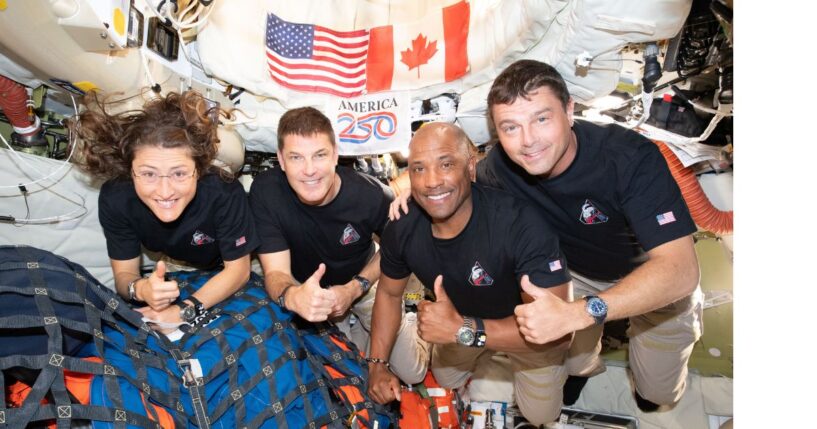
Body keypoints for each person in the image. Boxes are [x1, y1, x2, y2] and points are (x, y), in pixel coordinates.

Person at [393, 59, 703, 411]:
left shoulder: (627, 157)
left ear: (569, 111)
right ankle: (585, 367)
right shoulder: (501, 167)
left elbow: (681, 270)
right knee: (573, 359)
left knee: (659, 395)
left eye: (541, 119)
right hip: (575, 275)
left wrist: (581, 313)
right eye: (511, 127)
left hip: (652, 275)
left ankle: (640, 373)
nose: (528, 141)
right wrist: (417, 187)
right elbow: (453, 175)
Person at [368, 122, 573, 425]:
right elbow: (388, 292)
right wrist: (377, 363)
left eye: (446, 164)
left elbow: (559, 334)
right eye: (419, 169)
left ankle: (571, 363)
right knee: (446, 379)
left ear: (471, 167)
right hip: (460, 322)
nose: (431, 182)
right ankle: (479, 349)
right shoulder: (403, 227)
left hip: (527, 334)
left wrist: (463, 330)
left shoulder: (520, 224)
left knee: (541, 415)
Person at [248, 107, 428, 385]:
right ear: (281, 160)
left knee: (412, 373)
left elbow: (395, 249)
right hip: (307, 288)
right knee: (339, 371)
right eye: (296, 157)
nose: (309, 170)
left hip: (362, 279)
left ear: (334, 155)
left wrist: (355, 288)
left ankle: (408, 318)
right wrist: (294, 296)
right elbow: (276, 273)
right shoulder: (266, 192)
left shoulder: (370, 194)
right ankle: (357, 330)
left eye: (319, 155)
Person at [74, 90, 259, 329]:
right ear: (130, 171)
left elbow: (238, 271)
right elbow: (124, 276)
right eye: (148, 174)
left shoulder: (223, 191)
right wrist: (141, 288)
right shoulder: (116, 198)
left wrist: (183, 311)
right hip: (180, 263)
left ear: (199, 170)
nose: (164, 191)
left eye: (179, 173)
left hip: (241, 261)